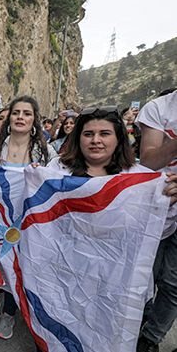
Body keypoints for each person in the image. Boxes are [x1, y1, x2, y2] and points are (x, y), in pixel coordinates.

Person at [43, 106, 177, 352]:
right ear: (78, 138)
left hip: (113, 280)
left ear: (118, 139)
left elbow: (157, 232)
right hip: (63, 271)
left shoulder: (140, 178)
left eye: (104, 133)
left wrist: (166, 204)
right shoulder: (56, 170)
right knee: (59, 329)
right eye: (88, 134)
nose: (95, 140)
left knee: (105, 334)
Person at [0, 95, 56, 339]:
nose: (20, 117)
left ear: (34, 120)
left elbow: (56, 184)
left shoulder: (46, 151)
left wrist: (41, 174)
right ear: (9, 117)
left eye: (27, 113)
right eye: (16, 113)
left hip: (25, 226)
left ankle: (9, 315)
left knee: (16, 271)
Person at [135, 89, 177, 352]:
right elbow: (149, 161)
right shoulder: (158, 108)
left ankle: (150, 338)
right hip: (157, 208)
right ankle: (138, 318)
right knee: (142, 275)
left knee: (173, 283)